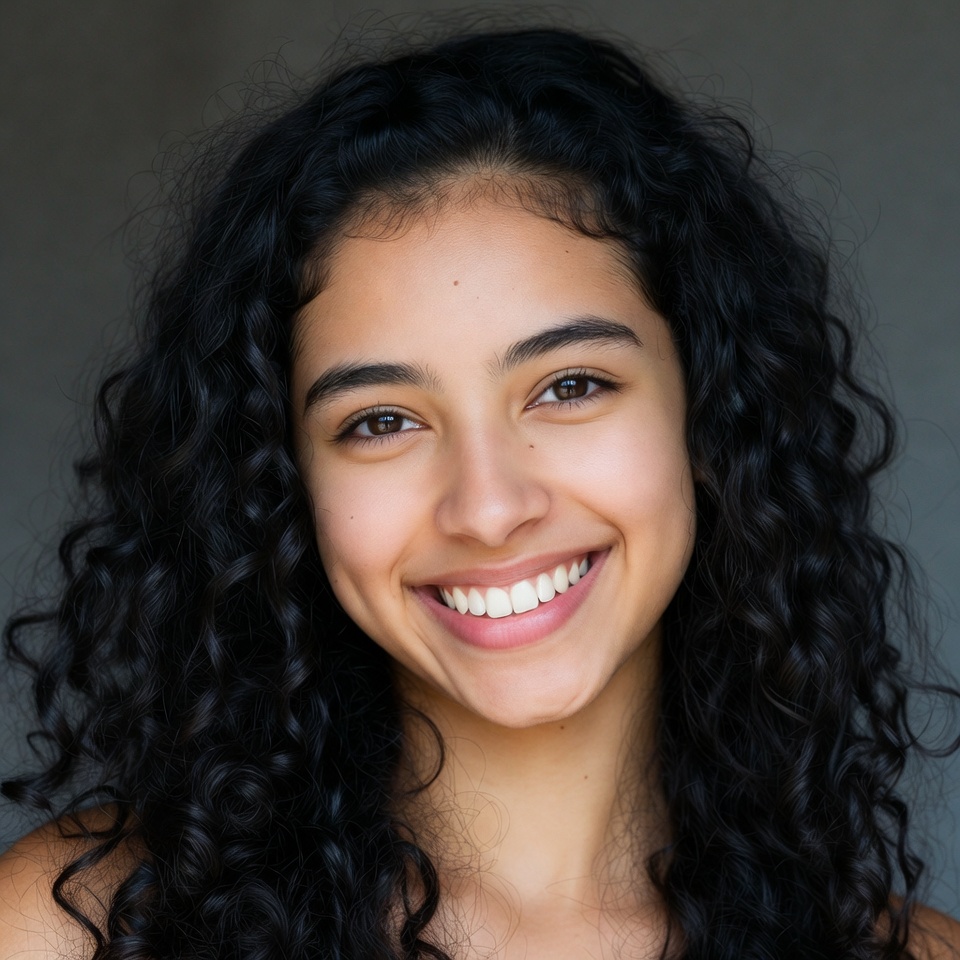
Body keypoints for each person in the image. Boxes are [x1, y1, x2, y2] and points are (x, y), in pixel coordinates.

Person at [0, 23, 958, 960]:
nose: (490, 507)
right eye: (381, 420)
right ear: (285, 486)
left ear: (709, 418)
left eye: (569, 387)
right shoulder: (82, 930)